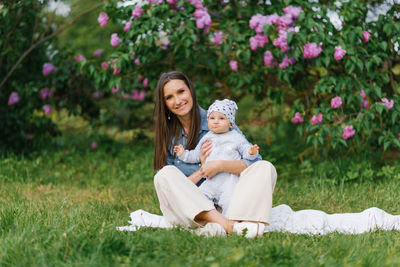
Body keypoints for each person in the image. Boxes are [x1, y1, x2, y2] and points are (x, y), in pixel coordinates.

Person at [153, 71, 277, 237]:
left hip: (230, 200)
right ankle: (229, 225)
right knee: (163, 175)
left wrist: (219, 166)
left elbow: (252, 163)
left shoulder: (219, 117)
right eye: (169, 97)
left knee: (264, 167)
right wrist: (202, 171)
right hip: (194, 210)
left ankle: (224, 224)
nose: (178, 101)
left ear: (190, 90)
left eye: (181, 91)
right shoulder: (168, 135)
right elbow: (170, 188)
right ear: (164, 103)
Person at [173, 99, 260, 215]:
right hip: (210, 181)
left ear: (230, 123)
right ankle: (207, 218)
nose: (216, 121)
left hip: (229, 181)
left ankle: (229, 222)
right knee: (200, 197)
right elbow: (196, 155)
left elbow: (245, 150)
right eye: (212, 118)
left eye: (221, 118)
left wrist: (251, 152)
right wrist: (183, 154)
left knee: (230, 201)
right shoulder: (207, 137)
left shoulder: (235, 137)